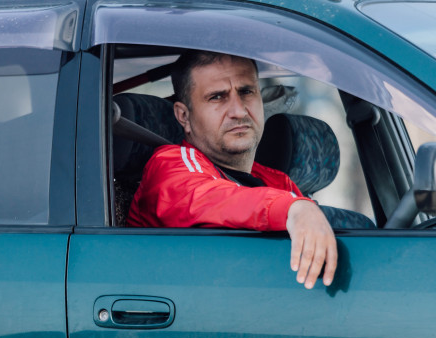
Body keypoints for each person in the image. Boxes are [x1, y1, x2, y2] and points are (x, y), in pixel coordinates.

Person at [127, 50, 338, 289]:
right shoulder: (169, 166)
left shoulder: (277, 183)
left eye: (246, 92)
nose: (239, 111)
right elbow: (210, 199)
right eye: (217, 97)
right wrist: (293, 208)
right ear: (184, 116)